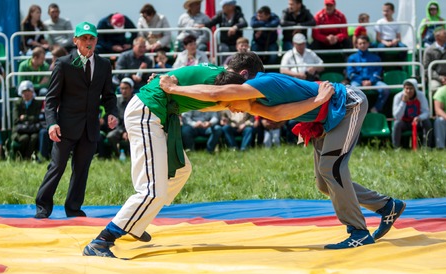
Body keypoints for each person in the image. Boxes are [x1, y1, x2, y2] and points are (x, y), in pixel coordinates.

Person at [159, 67, 406, 250]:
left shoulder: (263, 84)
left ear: (237, 88)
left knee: (332, 168)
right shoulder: (253, 102)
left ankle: (358, 232)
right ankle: (386, 206)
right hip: (326, 114)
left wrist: (172, 87)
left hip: (348, 105)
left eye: (228, 102)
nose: (230, 109)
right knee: (323, 182)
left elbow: (214, 93)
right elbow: (277, 114)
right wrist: (316, 101)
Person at [82, 52, 264, 258]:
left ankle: (136, 219)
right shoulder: (217, 80)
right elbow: (175, 81)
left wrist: (230, 103)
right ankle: (102, 241)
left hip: (156, 116)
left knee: (181, 170)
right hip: (146, 113)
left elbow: (186, 86)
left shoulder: (217, 77)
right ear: (244, 73)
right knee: (153, 191)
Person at [34, 22, 119, 219]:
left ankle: (73, 209)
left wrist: (111, 112)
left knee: (81, 171)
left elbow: (109, 95)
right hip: (65, 127)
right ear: (75, 41)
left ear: (97, 40)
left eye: (92, 38)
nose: (88, 42)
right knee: (57, 167)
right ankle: (43, 207)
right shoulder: (63, 64)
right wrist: (52, 123)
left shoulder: (104, 65)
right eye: (84, 38)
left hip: (90, 128)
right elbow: (51, 99)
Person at [347, 35, 390, 113]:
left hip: (373, 82)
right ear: (356, 45)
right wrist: (361, 81)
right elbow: (351, 73)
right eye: (360, 43)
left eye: (364, 43)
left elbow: (378, 71)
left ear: (368, 44)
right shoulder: (352, 58)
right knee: (352, 91)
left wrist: (371, 81)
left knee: (385, 89)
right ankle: (358, 111)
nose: (362, 45)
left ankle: (376, 109)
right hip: (358, 82)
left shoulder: (375, 57)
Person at [392, 78, 433, 149]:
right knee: (397, 124)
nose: (408, 91)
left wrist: (419, 118)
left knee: (427, 122)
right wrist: (403, 102)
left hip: (417, 121)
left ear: (415, 89)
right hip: (404, 122)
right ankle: (396, 148)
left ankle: (426, 147)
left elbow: (426, 112)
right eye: (406, 88)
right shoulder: (398, 97)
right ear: (403, 89)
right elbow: (397, 116)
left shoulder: (421, 96)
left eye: (411, 89)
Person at [10, 80, 43, 160]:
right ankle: (20, 157)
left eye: (29, 91)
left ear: (32, 92)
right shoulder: (17, 103)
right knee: (24, 138)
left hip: (32, 129)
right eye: (24, 91)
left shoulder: (37, 103)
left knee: (34, 137)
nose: (27, 93)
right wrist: (31, 118)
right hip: (19, 131)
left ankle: (28, 158)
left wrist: (25, 118)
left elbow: (38, 118)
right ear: (21, 92)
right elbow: (15, 120)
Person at [106, 77, 134, 157]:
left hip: (133, 128)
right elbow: (116, 120)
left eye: (126, 88)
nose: (124, 91)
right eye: (122, 88)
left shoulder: (136, 101)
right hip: (120, 129)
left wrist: (128, 131)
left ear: (131, 89)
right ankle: (118, 154)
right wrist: (122, 132)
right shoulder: (117, 102)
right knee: (111, 136)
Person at [422, 28, 446, 92]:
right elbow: (427, 69)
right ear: (437, 37)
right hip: (435, 78)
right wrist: (440, 78)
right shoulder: (428, 50)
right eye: (445, 33)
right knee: (435, 88)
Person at [433, 85, 446, 149]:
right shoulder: (441, 91)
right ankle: (440, 147)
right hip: (445, 117)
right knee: (439, 121)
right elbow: (438, 109)